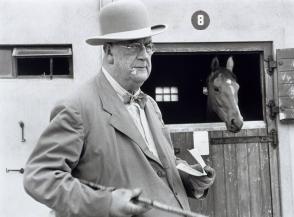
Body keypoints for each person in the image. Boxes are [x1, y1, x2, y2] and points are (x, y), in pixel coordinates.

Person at [23, 0, 216, 217]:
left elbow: (158, 165)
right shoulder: (77, 108)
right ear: (108, 52)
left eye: (148, 45)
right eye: (133, 45)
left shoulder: (150, 105)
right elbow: (39, 176)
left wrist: (190, 180)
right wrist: (104, 203)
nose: (144, 55)